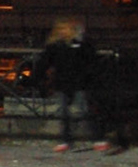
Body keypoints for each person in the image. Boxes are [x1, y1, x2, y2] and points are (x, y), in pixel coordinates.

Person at [30, 18, 116, 153]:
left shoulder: (81, 45)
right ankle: (65, 140)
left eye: (66, 29)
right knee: (63, 113)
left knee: (84, 111)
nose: (63, 32)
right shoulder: (55, 46)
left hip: (80, 82)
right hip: (62, 83)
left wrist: (93, 77)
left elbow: (92, 61)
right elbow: (44, 63)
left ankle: (98, 139)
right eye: (61, 29)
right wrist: (36, 78)